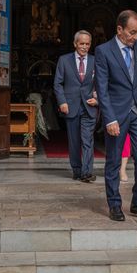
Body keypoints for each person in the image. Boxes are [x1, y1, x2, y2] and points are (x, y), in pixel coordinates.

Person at [95, 10, 137, 221]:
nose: (135, 38)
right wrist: (109, 118)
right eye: (132, 33)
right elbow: (101, 88)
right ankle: (114, 204)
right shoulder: (103, 51)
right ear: (119, 29)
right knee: (113, 161)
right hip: (117, 114)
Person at [53, 30, 99, 182]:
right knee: (74, 141)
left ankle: (87, 172)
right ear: (75, 44)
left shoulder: (95, 61)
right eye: (82, 43)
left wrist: (97, 97)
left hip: (89, 106)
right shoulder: (64, 60)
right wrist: (62, 102)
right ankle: (77, 170)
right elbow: (58, 83)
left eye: (87, 44)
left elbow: (102, 83)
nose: (85, 47)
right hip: (70, 106)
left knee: (88, 140)